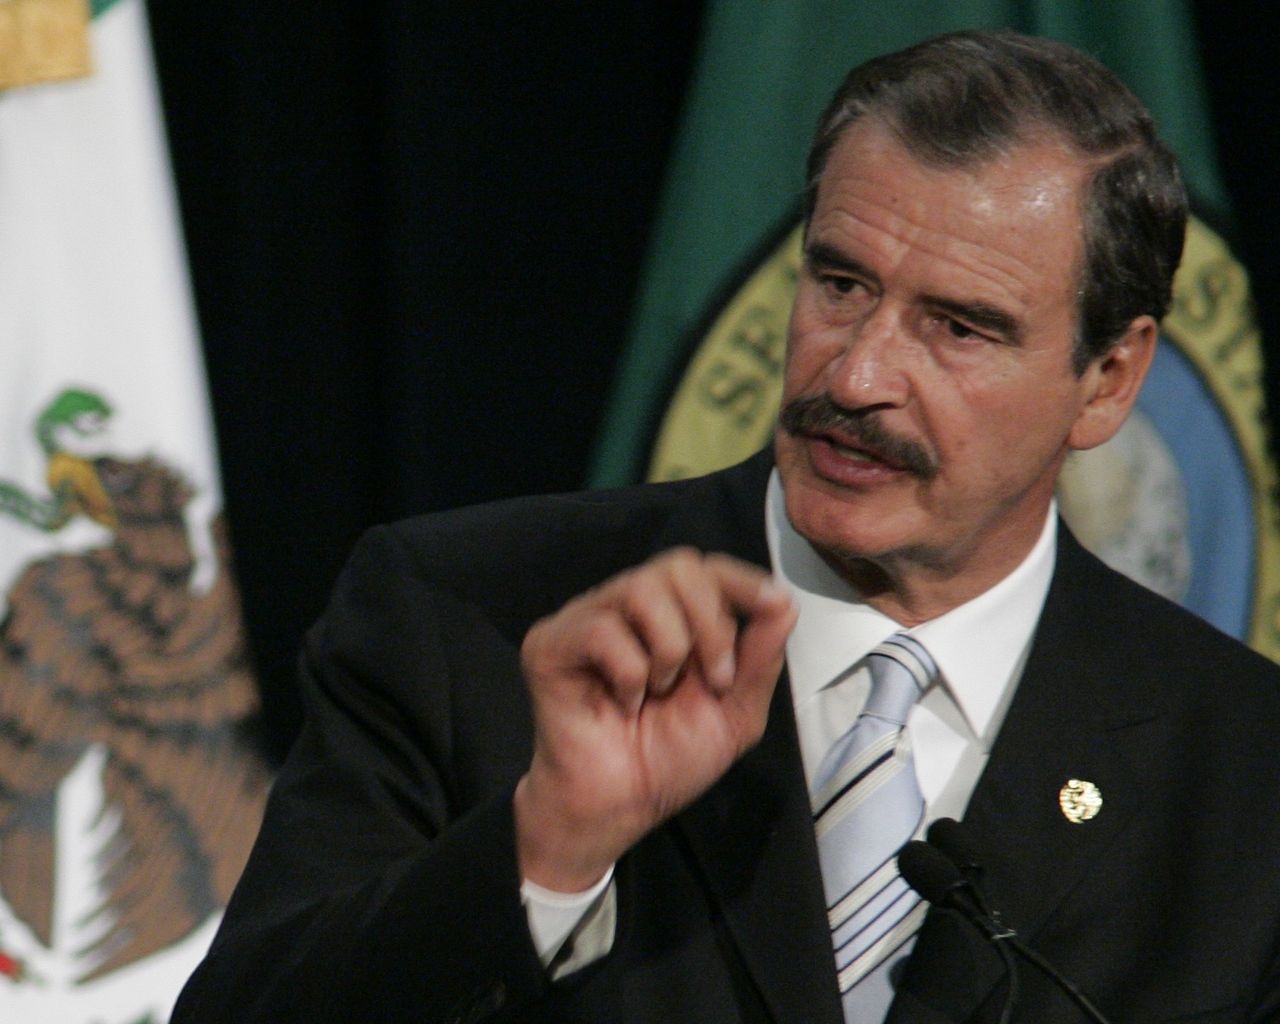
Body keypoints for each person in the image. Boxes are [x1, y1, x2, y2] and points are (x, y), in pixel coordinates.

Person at [172, 30, 1280, 1024]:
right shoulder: (466, 616)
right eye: (840, 283)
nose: (856, 376)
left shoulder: (1242, 768)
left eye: (957, 328)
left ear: (1107, 379)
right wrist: (546, 844)